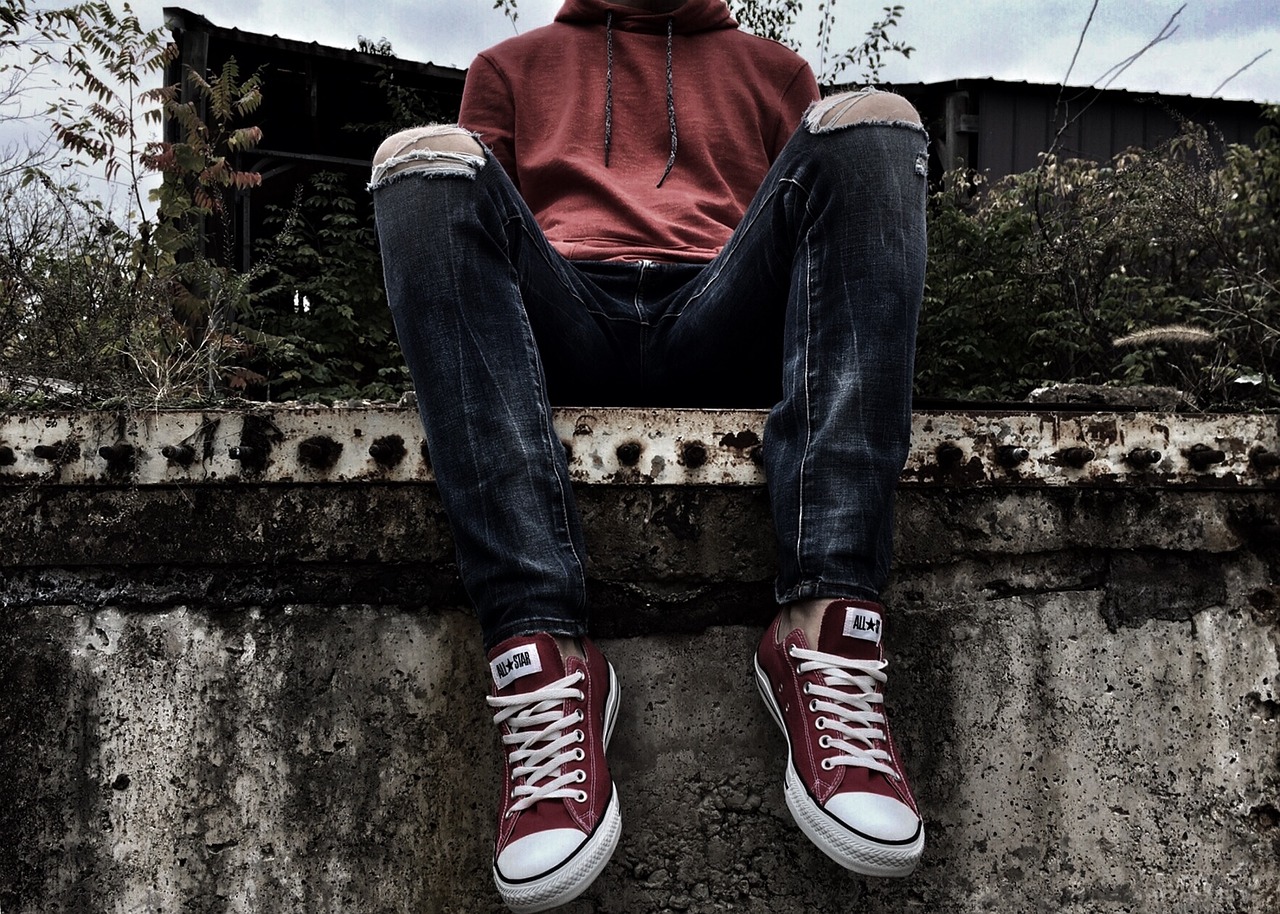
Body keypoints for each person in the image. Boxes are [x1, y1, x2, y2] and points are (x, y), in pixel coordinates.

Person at [369, 1, 928, 910]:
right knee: (424, 160)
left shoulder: (775, 71)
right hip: (565, 314)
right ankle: (543, 658)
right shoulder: (508, 68)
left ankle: (824, 629)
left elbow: (805, 243)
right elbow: (473, 245)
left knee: (870, 125)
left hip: (720, 306)